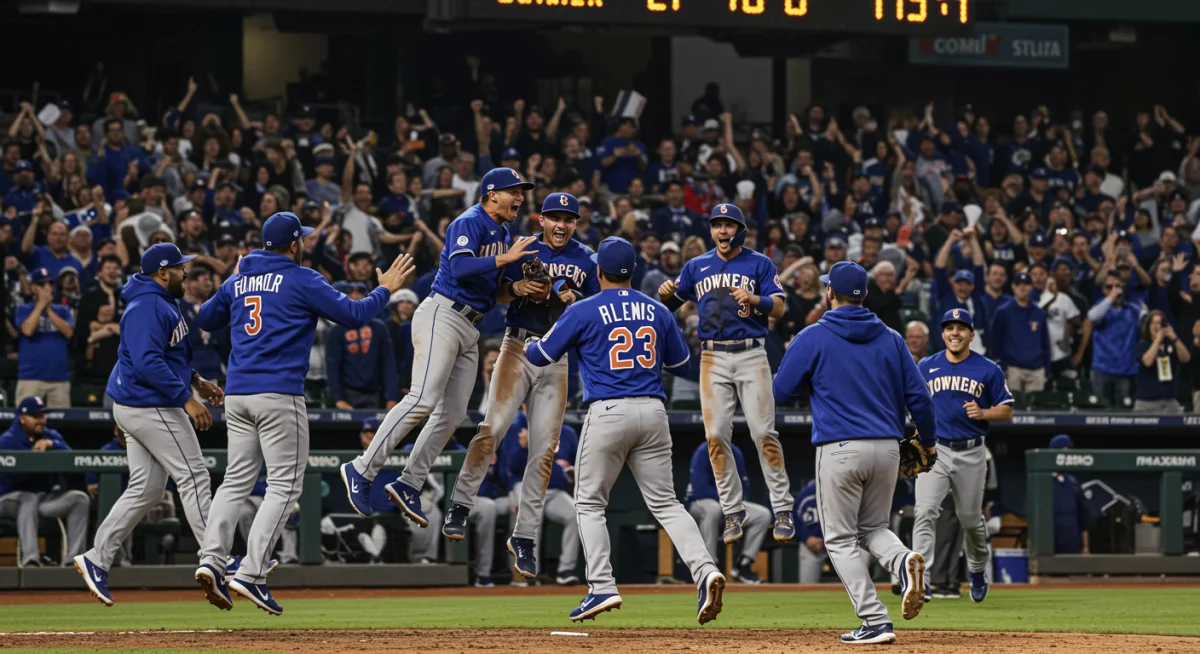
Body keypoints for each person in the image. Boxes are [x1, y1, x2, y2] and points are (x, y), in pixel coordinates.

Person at [194, 212, 415, 615]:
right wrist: (384, 290)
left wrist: (233, 281)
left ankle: (212, 558)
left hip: (238, 394)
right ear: (294, 244)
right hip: (278, 393)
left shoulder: (241, 276)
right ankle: (252, 572)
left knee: (235, 482)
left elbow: (206, 318)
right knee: (284, 487)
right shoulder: (302, 277)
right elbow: (353, 316)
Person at [525, 236, 726, 624]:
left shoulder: (584, 309)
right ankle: (704, 570)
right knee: (667, 504)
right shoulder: (657, 309)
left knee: (588, 503)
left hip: (608, 411)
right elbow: (682, 363)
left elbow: (539, 356)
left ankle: (601, 585)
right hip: (653, 410)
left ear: (598, 270)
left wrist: (562, 318)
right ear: (632, 270)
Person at [340, 168, 538, 531]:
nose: (521, 198)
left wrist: (518, 287)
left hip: (471, 324)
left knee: (453, 414)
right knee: (422, 399)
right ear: (492, 194)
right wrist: (507, 260)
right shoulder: (470, 221)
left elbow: (493, 292)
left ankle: (408, 482)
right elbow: (461, 268)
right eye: (514, 191)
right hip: (442, 314)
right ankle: (361, 468)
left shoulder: (503, 231)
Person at [773, 260, 936, 645]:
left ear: (831, 293)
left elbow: (781, 391)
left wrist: (817, 379)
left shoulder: (813, 336)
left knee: (840, 540)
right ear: (864, 295)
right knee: (874, 528)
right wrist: (928, 441)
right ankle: (902, 560)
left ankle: (876, 620)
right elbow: (921, 401)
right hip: (888, 448)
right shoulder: (893, 338)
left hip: (840, 447)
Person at [442, 192, 595, 580]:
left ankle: (524, 537)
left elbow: (597, 306)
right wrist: (517, 290)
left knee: (543, 451)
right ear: (540, 219)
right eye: (554, 217)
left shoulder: (587, 259)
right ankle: (460, 505)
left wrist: (573, 299)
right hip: (517, 345)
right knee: (490, 429)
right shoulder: (521, 248)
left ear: (576, 223)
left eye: (569, 218)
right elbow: (494, 295)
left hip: (558, 356)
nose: (561, 224)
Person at [72, 244, 224, 606]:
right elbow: (146, 361)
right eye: (181, 267)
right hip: (149, 403)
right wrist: (187, 399)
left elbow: (168, 354)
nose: (187, 272)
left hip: (137, 404)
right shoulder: (146, 306)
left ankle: (97, 558)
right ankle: (216, 561)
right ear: (163, 272)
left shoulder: (159, 300)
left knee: (147, 489)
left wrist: (195, 380)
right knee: (194, 475)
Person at [657, 204, 794, 546]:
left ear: (740, 230)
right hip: (712, 356)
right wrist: (665, 297)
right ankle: (733, 510)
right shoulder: (696, 265)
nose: (722, 231)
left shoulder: (759, 263)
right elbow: (672, 303)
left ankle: (782, 509)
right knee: (716, 435)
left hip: (751, 353)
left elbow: (780, 307)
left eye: (728, 225)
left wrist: (755, 298)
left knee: (765, 432)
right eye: (717, 224)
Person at [913, 309, 1013, 605]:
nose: (954, 333)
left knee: (971, 520)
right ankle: (923, 580)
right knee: (924, 511)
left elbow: (1007, 410)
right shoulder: (926, 365)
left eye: (961, 328)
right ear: (942, 334)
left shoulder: (988, 368)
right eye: (949, 328)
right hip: (934, 449)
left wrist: (983, 413)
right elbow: (911, 401)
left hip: (971, 450)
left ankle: (978, 569)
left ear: (971, 334)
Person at [0, 397, 89, 569]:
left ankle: (73, 562)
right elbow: (11, 479)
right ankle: (30, 561)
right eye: (35, 416)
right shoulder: (7, 440)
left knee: (80, 499)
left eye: (42, 415)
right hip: (7, 499)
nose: (40, 420)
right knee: (28, 498)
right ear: (22, 418)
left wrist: (51, 444)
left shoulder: (51, 435)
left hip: (43, 499)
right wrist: (31, 458)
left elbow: (71, 458)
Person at [503, 415, 583, 585]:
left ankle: (565, 570)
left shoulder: (566, 431)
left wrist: (568, 469)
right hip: (527, 487)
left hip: (554, 489)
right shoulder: (518, 427)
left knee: (575, 516)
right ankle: (530, 573)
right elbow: (509, 467)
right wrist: (524, 447)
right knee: (532, 523)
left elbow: (578, 462)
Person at [684, 442, 770, 584]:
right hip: (699, 504)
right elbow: (700, 489)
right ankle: (708, 567)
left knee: (762, 515)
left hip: (726, 504)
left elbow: (744, 484)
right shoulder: (703, 451)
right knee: (713, 509)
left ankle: (743, 565)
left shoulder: (735, 452)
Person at [16, 268, 75, 407]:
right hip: (30, 377)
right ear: (34, 288)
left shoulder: (62, 310)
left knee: (63, 424)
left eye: (50, 284)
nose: (48, 288)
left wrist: (48, 309)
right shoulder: (23, 309)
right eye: (43, 285)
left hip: (59, 377)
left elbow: (69, 332)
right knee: (27, 421)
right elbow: (28, 330)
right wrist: (41, 305)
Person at [1089, 271, 1147, 407]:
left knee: (1125, 416)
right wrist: (1110, 297)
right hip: (1102, 370)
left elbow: (1149, 320)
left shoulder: (1133, 309)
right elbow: (1092, 317)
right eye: (1109, 287)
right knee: (1099, 415)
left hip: (1126, 371)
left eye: (1117, 287)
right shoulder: (1100, 308)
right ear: (1103, 290)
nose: (1114, 291)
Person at [989, 271, 1051, 393]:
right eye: (1019, 284)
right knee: (1012, 409)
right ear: (1013, 286)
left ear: (1031, 287)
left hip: (1036, 370)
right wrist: (1002, 367)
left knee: (1035, 410)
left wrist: (1047, 369)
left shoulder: (1039, 313)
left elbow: (1045, 343)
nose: (1022, 288)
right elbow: (994, 342)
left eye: (1026, 284)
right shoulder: (1003, 311)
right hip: (1013, 369)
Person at [1134, 310, 1190, 413]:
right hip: (1147, 402)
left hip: (1169, 401)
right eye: (1155, 323)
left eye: (1161, 323)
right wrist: (1157, 341)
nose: (1158, 327)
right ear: (1148, 326)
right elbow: (1147, 361)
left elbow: (1185, 358)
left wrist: (1174, 338)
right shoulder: (1143, 345)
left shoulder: (1171, 344)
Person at [1049, 434, 1090, 554]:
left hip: (1072, 543)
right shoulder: (1044, 481)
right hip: (1050, 544)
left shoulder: (1073, 482)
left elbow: (1083, 518)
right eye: (1063, 453)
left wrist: (1086, 547)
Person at [792, 480, 825, 583]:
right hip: (813, 543)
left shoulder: (849, 490)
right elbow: (792, 516)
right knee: (807, 586)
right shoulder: (809, 492)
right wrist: (807, 537)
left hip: (843, 541)